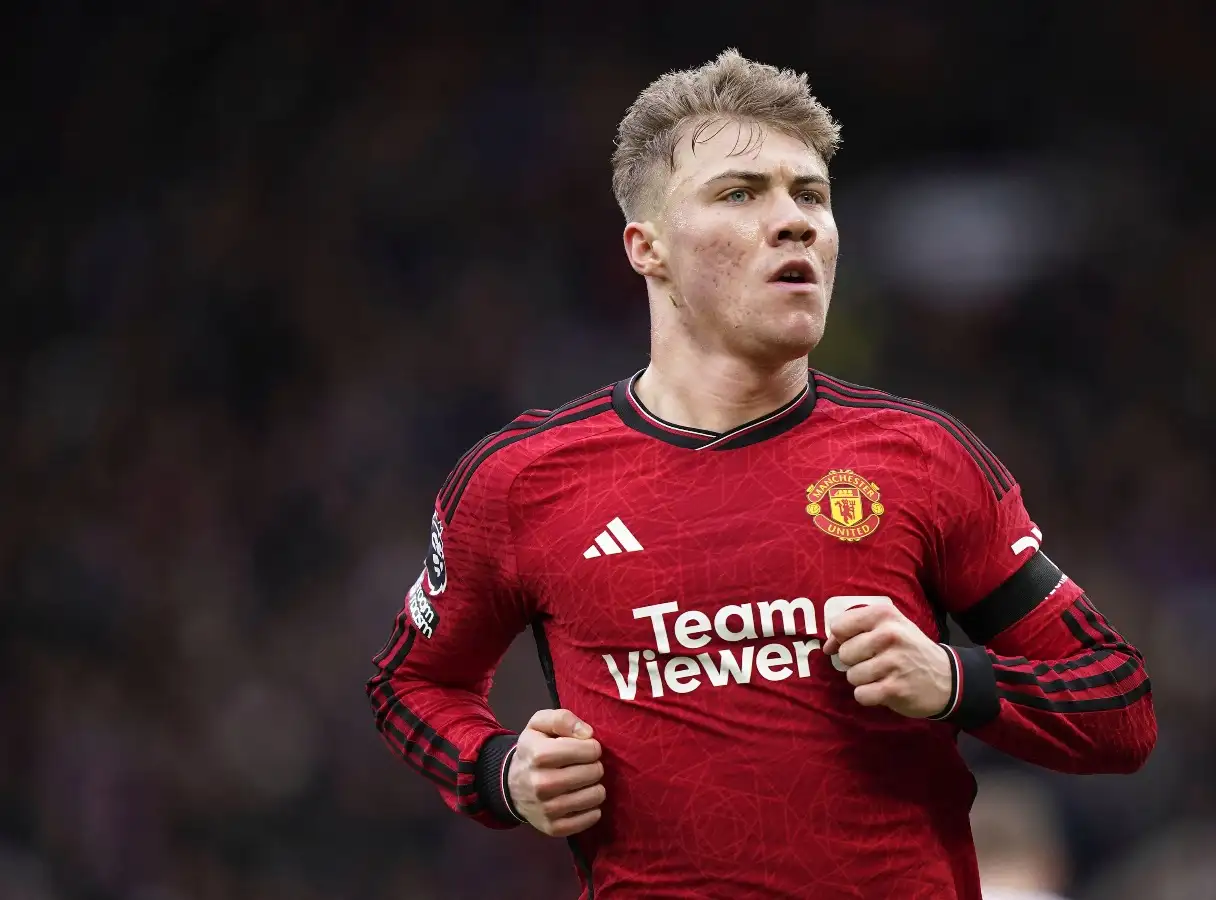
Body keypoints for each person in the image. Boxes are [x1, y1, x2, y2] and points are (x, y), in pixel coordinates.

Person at [366, 49, 1156, 900]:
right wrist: (500, 774)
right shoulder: (522, 482)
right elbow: (412, 681)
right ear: (648, 248)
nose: (796, 223)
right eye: (740, 193)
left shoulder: (922, 458)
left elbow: (1118, 706)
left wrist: (953, 680)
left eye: (810, 195)